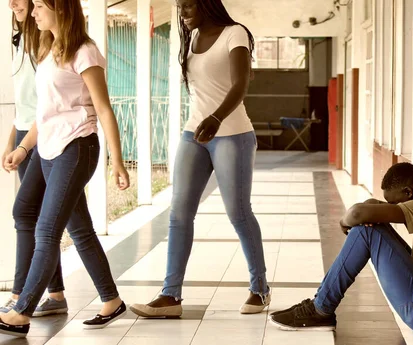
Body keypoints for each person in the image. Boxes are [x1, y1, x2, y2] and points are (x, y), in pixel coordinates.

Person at [130, 0, 270, 318]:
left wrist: (217, 118)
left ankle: (260, 289)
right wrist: (205, 121)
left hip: (232, 134)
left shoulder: (235, 34)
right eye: (181, 7)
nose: (183, 13)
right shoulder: (190, 38)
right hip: (194, 133)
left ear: (207, 4)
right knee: (179, 215)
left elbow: (240, 84)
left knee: (238, 212)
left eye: (189, 6)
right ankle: (170, 297)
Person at [0, 0, 130, 337]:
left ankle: (21, 310)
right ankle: (111, 300)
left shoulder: (84, 51)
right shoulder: (47, 48)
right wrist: (22, 147)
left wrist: (116, 160)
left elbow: (103, 109)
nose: (33, 12)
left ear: (61, 9)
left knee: (46, 231)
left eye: (40, 6)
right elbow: (45, 113)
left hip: (76, 148)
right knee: (56, 220)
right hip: (47, 148)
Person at [269, 163, 413, 334]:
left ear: (408, 192)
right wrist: (371, 212)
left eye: (394, 203)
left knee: (366, 232)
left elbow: (358, 214)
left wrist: (344, 221)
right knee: (372, 226)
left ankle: (320, 309)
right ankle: (320, 304)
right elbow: (371, 208)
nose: (392, 207)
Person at [1, 0, 68, 318]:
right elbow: (25, 99)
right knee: (39, 220)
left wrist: (25, 144)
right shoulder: (19, 40)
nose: (13, 3)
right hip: (26, 137)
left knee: (28, 216)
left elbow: (47, 101)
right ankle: (54, 295)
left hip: (45, 138)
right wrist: (11, 140)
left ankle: (19, 294)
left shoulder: (45, 42)